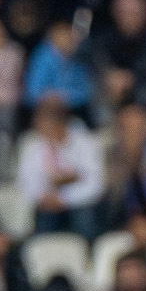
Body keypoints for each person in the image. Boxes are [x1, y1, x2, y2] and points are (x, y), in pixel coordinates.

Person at [18, 96, 105, 237]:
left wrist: (65, 199)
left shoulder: (84, 141)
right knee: (43, 218)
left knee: (84, 215)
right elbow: (27, 181)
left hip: (79, 201)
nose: (37, 127)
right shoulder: (33, 144)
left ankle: (88, 247)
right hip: (48, 201)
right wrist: (43, 197)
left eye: (41, 123)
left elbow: (95, 183)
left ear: (58, 123)